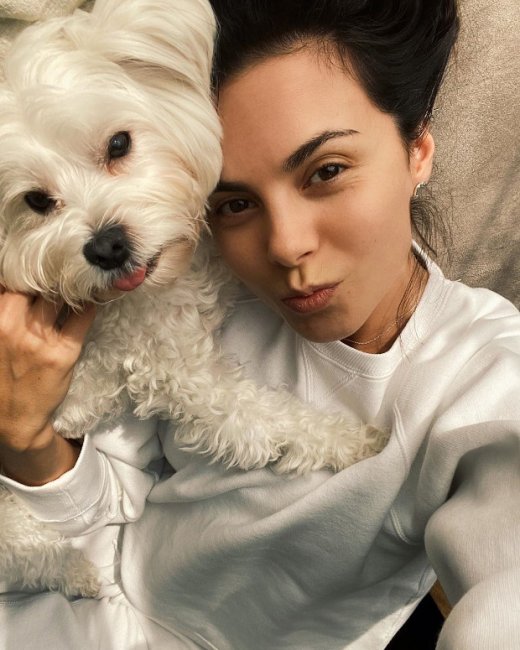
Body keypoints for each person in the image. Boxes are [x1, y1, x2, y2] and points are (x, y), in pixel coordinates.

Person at [0, 0, 519, 648]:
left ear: (418, 149)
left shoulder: (485, 379)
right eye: (234, 202)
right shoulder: (185, 273)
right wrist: (26, 441)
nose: (286, 246)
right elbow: (107, 504)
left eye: (326, 171)